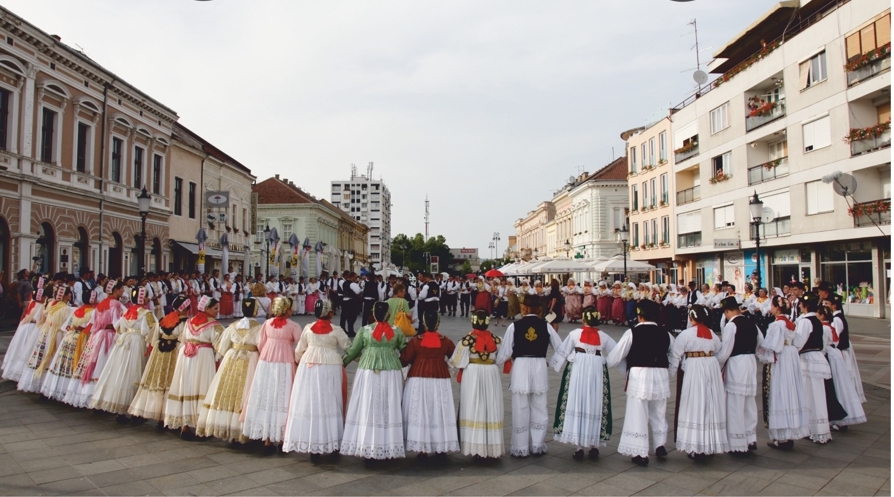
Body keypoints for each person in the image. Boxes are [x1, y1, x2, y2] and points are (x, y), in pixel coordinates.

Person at [606, 299, 674, 466]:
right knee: (659, 410)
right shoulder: (666, 333)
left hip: (640, 374)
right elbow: (674, 353)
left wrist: (614, 366)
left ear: (639, 315)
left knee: (638, 411)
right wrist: (669, 370)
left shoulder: (632, 333)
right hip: (660, 374)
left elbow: (615, 357)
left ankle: (639, 451)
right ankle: (660, 444)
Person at [283, 299, 350, 462]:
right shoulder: (336, 330)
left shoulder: (308, 328)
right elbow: (349, 347)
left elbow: (299, 350)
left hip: (308, 365)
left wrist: (301, 361)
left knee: (310, 401)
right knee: (330, 402)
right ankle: (332, 442)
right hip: (331, 365)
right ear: (331, 313)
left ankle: (313, 445)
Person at [495, 294, 562, 457]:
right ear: (539, 309)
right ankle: (538, 445)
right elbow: (561, 348)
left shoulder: (514, 326)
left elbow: (505, 352)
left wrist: (492, 362)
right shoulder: (546, 326)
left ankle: (521, 446)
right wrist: (552, 362)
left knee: (520, 407)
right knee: (540, 406)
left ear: (523, 308)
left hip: (521, 366)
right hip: (539, 365)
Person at [340, 302, 408, 464]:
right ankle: (389, 445)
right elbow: (406, 352)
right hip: (391, 371)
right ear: (389, 314)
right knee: (389, 406)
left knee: (368, 406)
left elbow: (353, 351)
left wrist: (341, 364)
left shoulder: (365, 331)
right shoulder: (397, 331)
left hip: (368, 371)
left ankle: (367, 444)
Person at [550, 306, 616, 460]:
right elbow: (617, 352)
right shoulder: (604, 336)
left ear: (584, 319)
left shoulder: (575, 334)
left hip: (578, 369)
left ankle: (579, 447)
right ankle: (594, 446)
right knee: (595, 402)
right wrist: (606, 362)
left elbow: (563, 350)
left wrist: (556, 364)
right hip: (596, 370)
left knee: (577, 401)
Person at [196, 298, 264, 444]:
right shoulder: (259, 328)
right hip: (250, 359)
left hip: (231, 358)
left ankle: (228, 427)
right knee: (246, 392)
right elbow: (262, 347)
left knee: (228, 391)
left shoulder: (232, 326)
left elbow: (221, 347)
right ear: (255, 311)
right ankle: (243, 429)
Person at [243, 297, 303, 453]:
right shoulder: (293, 326)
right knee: (282, 395)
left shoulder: (267, 324)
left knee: (265, 394)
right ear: (287, 310)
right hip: (285, 360)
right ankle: (282, 437)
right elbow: (301, 344)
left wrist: (266, 353)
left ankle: (267, 439)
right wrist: (297, 359)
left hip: (266, 361)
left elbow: (260, 343)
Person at [669, 305, 728, 460]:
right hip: (711, 366)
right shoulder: (713, 335)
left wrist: (671, 372)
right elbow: (719, 352)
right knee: (710, 403)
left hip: (694, 368)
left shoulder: (685, 335)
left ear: (691, 317)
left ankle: (696, 444)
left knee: (695, 403)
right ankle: (710, 443)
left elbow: (675, 355)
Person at [89, 288, 156, 423]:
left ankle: (121, 411)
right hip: (138, 342)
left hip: (123, 343)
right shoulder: (147, 313)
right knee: (136, 373)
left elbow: (119, 328)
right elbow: (152, 331)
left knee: (121, 373)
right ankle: (136, 412)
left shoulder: (126, 313)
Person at [399, 310, 459, 462]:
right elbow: (456, 357)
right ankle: (441, 448)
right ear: (438, 324)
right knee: (440, 413)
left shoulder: (416, 341)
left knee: (420, 412)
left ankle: (422, 449)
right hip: (440, 379)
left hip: (418, 378)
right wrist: (445, 365)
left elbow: (404, 360)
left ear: (424, 324)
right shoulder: (446, 341)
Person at [164, 296, 224, 439]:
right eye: (215, 309)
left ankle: (185, 426)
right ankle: (200, 427)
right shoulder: (215, 325)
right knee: (202, 386)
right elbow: (220, 345)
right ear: (207, 308)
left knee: (186, 386)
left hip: (186, 356)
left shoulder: (189, 321)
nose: (217, 311)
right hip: (203, 357)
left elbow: (183, 338)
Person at [755, 296, 809, 450]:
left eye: (771, 306)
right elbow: (798, 342)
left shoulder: (776, 325)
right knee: (789, 392)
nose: (769, 308)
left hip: (780, 360)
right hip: (790, 358)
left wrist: (759, 350)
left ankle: (782, 436)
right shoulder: (791, 324)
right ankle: (789, 432)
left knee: (779, 392)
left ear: (777, 308)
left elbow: (772, 347)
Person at [64, 281, 127, 408]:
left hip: (97, 336)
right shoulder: (116, 304)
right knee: (106, 364)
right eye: (121, 289)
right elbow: (118, 323)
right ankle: (103, 397)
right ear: (115, 290)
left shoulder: (99, 305)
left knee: (95, 364)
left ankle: (89, 394)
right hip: (110, 336)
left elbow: (93, 323)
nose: (123, 291)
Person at [129, 296, 190, 427]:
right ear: (185, 309)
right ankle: (165, 416)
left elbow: (152, 338)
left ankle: (152, 414)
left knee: (156, 381)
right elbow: (185, 339)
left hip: (159, 354)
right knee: (171, 382)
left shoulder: (163, 320)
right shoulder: (185, 323)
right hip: (174, 353)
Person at [450, 310, 503, 460]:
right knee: (491, 405)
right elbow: (504, 356)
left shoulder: (466, 340)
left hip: (472, 373)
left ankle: (475, 445)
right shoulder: (497, 340)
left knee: (474, 405)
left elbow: (455, 362)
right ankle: (492, 446)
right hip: (491, 373)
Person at [715, 296, 762, 454]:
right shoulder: (751, 323)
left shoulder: (731, 325)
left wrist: (715, 364)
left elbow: (725, 351)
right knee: (749, 402)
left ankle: (737, 442)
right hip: (750, 361)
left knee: (735, 403)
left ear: (727, 311)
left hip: (737, 363)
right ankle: (751, 438)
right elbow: (760, 343)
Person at [40, 289, 99, 402]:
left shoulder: (76, 310)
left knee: (62, 363)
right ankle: (72, 391)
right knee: (77, 365)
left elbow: (67, 326)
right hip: (83, 339)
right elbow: (92, 328)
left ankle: (55, 389)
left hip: (69, 338)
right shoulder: (93, 312)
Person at [817, 305, 865, 431]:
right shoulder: (830, 327)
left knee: (834, 386)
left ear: (822, 316)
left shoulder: (823, 328)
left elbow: (821, 347)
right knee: (840, 385)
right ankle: (839, 418)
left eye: (818, 314)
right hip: (836, 356)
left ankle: (838, 417)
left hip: (830, 357)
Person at [18, 286, 73, 394]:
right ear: (65, 296)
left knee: (42, 354)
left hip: (46, 332)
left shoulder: (52, 304)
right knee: (52, 356)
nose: (70, 295)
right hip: (56, 334)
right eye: (69, 293)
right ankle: (49, 383)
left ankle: (38, 382)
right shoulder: (66, 308)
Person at [794, 293, 832, 444]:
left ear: (804, 305)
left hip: (808, 360)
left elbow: (799, 342)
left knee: (808, 393)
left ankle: (812, 428)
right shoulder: (817, 320)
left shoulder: (805, 321)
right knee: (817, 394)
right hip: (816, 357)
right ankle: (819, 428)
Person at [1, 278, 46, 382]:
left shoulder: (32, 302)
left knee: (19, 347)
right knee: (26, 349)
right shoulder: (39, 305)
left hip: (24, 327)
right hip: (31, 328)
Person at [827, 295, 864, 403]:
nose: (825, 306)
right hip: (840, 351)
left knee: (843, 378)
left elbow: (835, 339)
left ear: (833, 306)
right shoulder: (837, 318)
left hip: (840, 352)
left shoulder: (837, 319)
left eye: (827, 304)